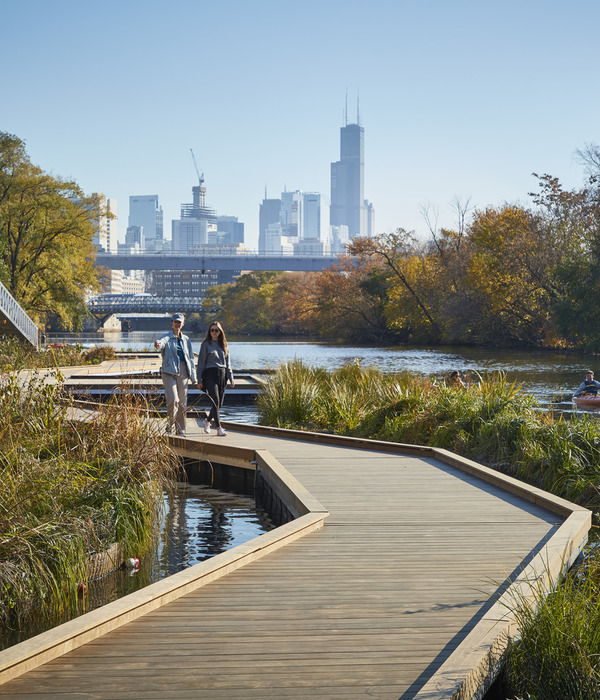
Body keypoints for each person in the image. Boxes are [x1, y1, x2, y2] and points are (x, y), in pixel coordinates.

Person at [154, 313, 197, 436]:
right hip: (168, 371)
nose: (177, 324)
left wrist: (193, 377)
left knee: (182, 402)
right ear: (172, 323)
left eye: (180, 322)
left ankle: (180, 428)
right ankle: (170, 425)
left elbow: (191, 359)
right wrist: (158, 344)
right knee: (173, 400)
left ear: (183, 324)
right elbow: (162, 342)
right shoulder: (167, 337)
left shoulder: (186, 339)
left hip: (183, 371)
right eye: (175, 322)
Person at [197, 322, 234, 436]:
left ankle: (207, 421)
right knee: (216, 401)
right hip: (210, 374)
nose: (214, 332)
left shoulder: (223, 344)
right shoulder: (205, 345)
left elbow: (228, 363)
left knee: (220, 403)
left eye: (216, 330)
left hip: (222, 375)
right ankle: (219, 428)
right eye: (212, 330)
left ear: (220, 332)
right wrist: (199, 380)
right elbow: (201, 363)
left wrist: (231, 378)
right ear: (209, 332)